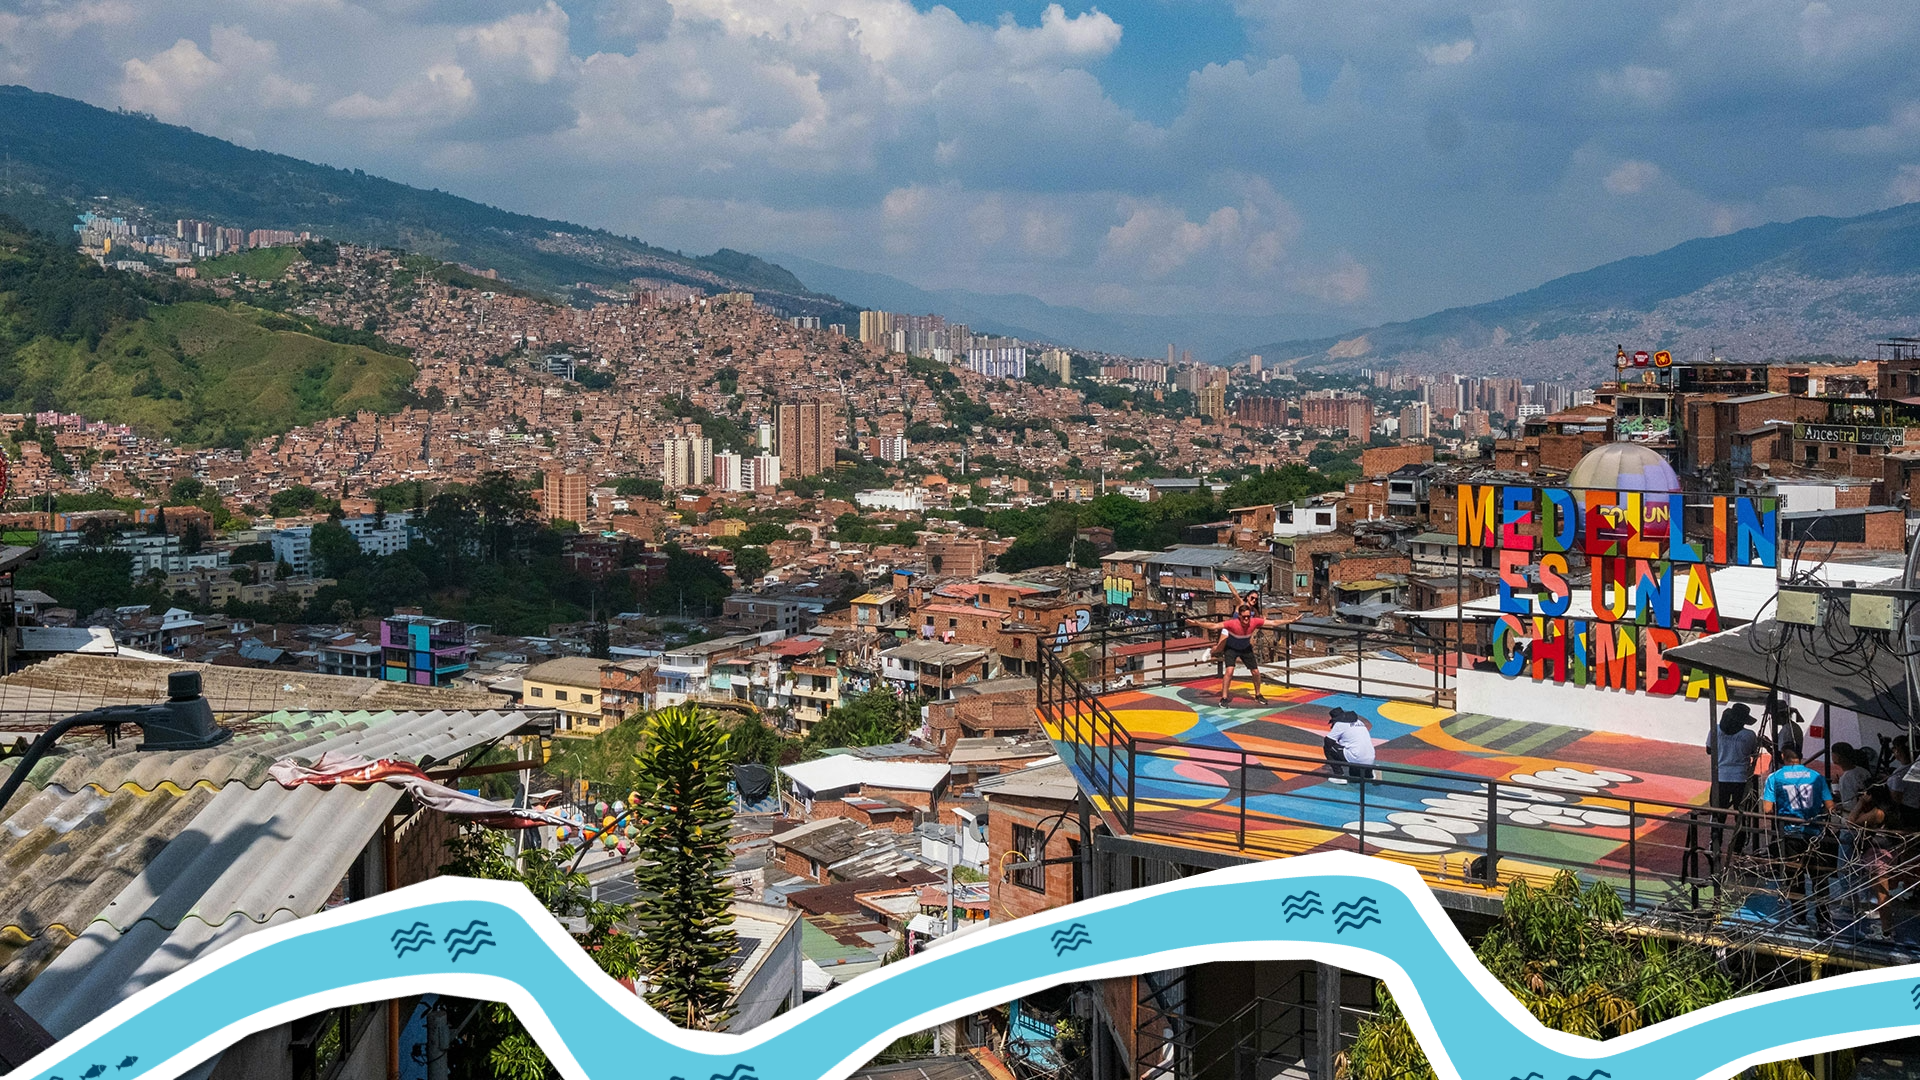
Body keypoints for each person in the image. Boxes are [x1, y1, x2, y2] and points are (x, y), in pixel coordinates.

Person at [1762, 743, 1837, 934]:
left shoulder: (1775, 777)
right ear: (1801, 756)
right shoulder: (1817, 777)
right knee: (1820, 879)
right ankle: (1824, 920)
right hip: (1816, 834)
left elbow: (1767, 809)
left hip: (1791, 834)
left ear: (1782, 756)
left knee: (1795, 876)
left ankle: (1800, 917)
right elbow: (1830, 806)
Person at [1847, 785, 1900, 940]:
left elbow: (1851, 822)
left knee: (1882, 895)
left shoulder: (1877, 813)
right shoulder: (1893, 809)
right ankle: (1887, 928)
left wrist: (1860, 803)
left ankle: (1886, 931)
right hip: (1889, 851)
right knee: (1882, 893)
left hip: (1878, 856)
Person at [1193, 601, 1272, 704]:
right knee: (1228, 667)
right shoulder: (1237, 610)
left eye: (1248, 616)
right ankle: (1224, 698)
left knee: (1256, 672)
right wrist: (1197, 623)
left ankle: (1258, 695)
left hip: (1245, 646)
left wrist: (1291, 620)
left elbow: (1273, 623)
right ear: (1239, 615)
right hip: (1231, 644)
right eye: (1244, 617)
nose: (1247, 618)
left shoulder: (1253, 618)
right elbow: (1214, 626)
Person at [1711, 703, 1761, 857]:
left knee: (1718, 813)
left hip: (1720, 777)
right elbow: (1753, 753)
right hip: (1740, 778)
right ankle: (1738, 848)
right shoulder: (1749, 735)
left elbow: (1709, 749)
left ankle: (1715, 844)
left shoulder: (1715, 730)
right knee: (1741, 815)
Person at [1332, 710, 1376, 783]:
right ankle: (1369, 774)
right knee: (1354, 774)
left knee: (1330, 748)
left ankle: (1339, 776)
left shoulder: (1340, 724)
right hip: (1370, 757)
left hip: (1356, 756)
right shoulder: (1360, 722)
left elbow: (1328, 742)